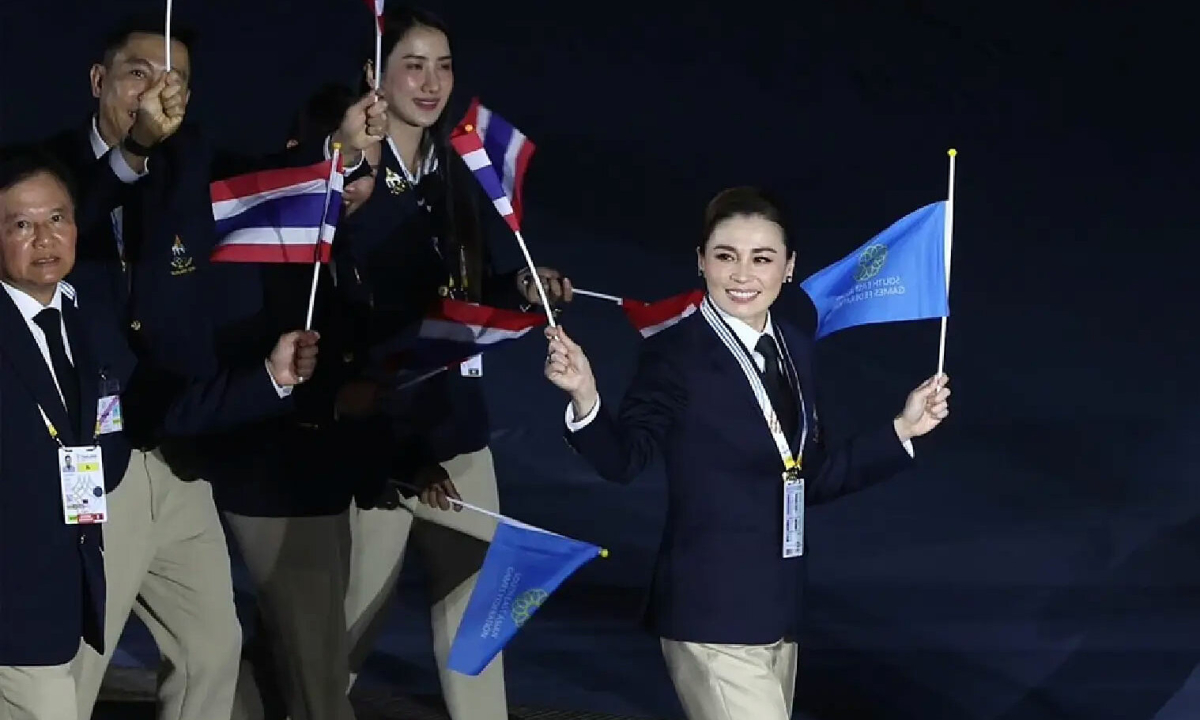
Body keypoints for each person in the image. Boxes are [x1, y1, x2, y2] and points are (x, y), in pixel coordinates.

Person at [543, 187, 951, 720]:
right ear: (701, 261)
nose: (742, 275)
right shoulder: (675, 356)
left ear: (789, 267)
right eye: (725, 256)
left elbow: (810, 475)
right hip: (710, 614)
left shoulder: (794, 343)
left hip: (778, 611)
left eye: (762, 259)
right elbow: (624, 461)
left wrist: (902, 429)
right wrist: (585, 395)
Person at [0, 148, 318, 720]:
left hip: (69, 578)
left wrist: (270, 377)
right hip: (18, 609)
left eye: (58, 219)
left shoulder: (85, 318)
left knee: (209, 650)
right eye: (22, 225)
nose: (45, 239)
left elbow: (156, 410)